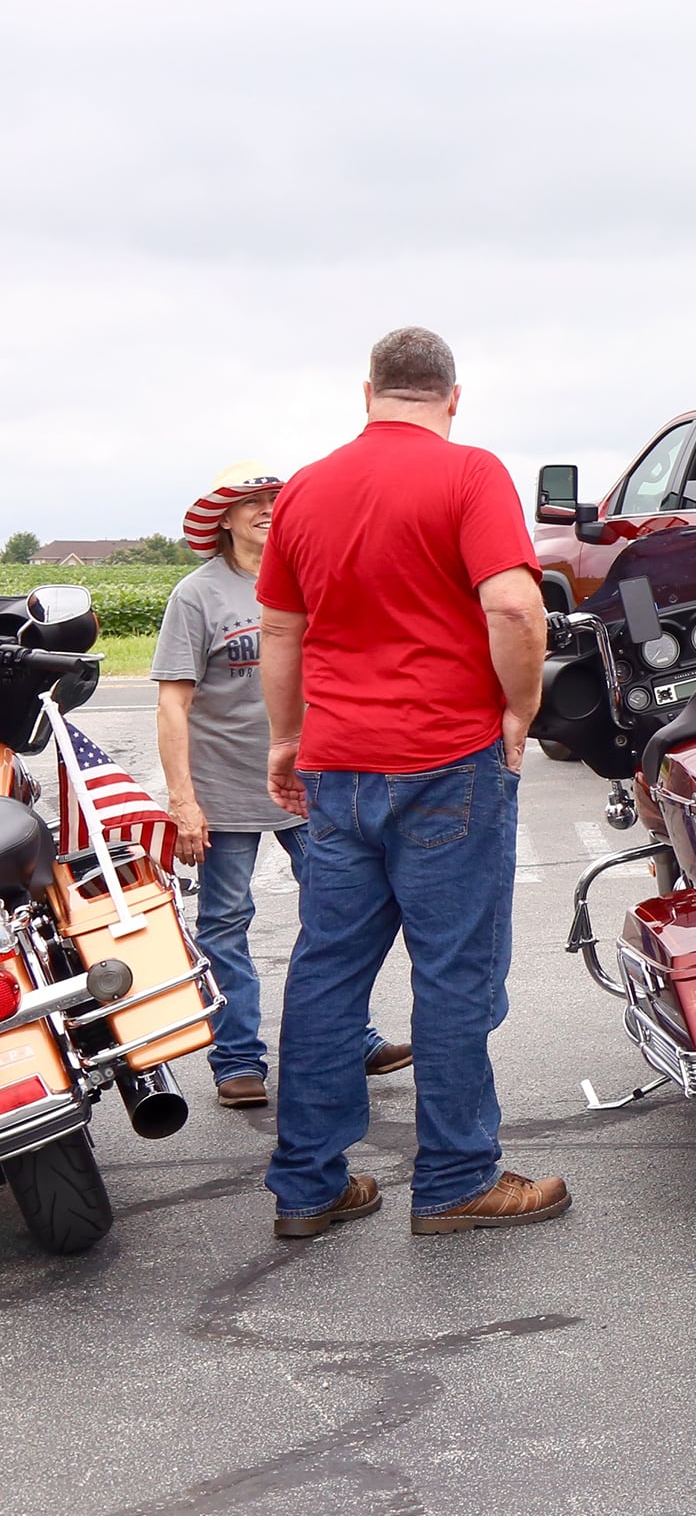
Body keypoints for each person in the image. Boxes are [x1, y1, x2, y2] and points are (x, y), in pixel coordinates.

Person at [257, 326, 567, 1239]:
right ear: (452, 397)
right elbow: (513, 603)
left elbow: (280, 632)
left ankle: (308, 1186)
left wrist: (286, 738)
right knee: (453, 974)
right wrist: (520, 710)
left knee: (325, 972)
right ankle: (458, 1178)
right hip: (445, 763)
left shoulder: (306, 488)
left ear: (367, 392)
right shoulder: (469, 474)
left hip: (337, 762)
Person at [157, 462, 408, 1109]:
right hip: (226, 793)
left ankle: (351, 1039)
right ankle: (238, 1060)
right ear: (224, 519)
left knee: (340, 914)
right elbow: (172, 705)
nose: (268, 509)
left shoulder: (307, 581)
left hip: (309, 783)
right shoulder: (198, 595)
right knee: (225, 922)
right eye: (253, 501)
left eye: (277, 499)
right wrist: (184, 800)